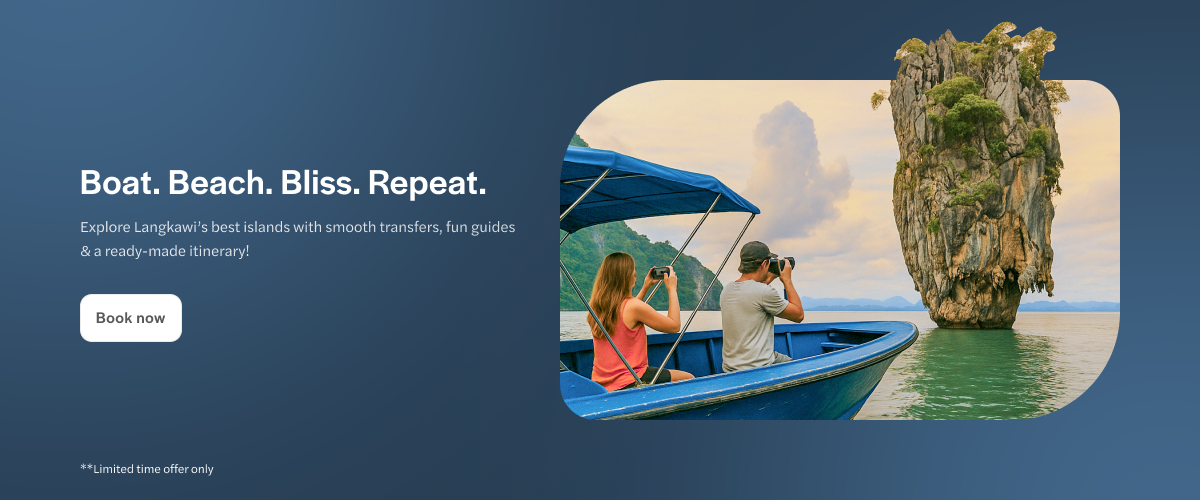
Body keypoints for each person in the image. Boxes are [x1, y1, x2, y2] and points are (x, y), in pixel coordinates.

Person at [587, 252, 695, 390]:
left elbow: (626, 312)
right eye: (634, 273)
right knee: (689, 379)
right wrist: (672, 289)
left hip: (601, 384)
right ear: (627, 277)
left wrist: (646, 287)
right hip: (629, 379)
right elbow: (674, 326)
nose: (635, 276)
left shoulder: (597, 307)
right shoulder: (633, 307)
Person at [719, 241, 805, 372]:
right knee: (795, 367)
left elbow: (753, 294)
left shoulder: (727, 289)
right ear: (764, 264)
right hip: (757, 367)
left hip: (730, 367)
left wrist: (769, 278)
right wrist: (786, 280)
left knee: (780, 358)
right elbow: (798, 315)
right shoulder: (764, 292)